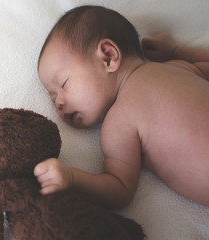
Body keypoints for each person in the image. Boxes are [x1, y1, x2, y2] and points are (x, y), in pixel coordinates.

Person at [33, 5, 209, 208]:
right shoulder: (119, 125)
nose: (59, 103)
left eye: (63, 84)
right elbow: (119, 187)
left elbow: (120, 190)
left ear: (108, 57)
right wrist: (72, 178)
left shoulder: (176, 67)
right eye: (53, 97)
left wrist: (176, 51)